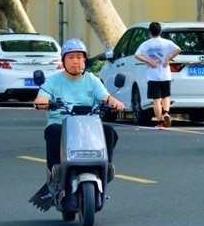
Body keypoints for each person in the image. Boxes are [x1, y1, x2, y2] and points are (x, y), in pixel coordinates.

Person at [32, 38, 124, 198]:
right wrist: (43, 102)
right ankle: (56, 172)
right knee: (52, 131)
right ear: (63, 60)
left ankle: (105, 168)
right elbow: (41, 98)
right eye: (71, 57)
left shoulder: (92, 80)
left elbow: (105, 96)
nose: (75, 61)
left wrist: (116, 103)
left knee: (109, 130)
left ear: (84, 60)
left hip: (88, 126)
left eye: (79, 57)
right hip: (61, 125)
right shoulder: (54, 80)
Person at [134, 22, 182, 128]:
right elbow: (178, 49)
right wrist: (168, 59)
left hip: (153, 75)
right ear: (160, 32)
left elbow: (136, 55)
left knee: (156, 100)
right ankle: (166, 113)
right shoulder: (167, 42)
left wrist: (149, 61)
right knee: (166, 96)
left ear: (150, 32)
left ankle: (160, 123)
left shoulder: (146, 44)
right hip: (165, 74)